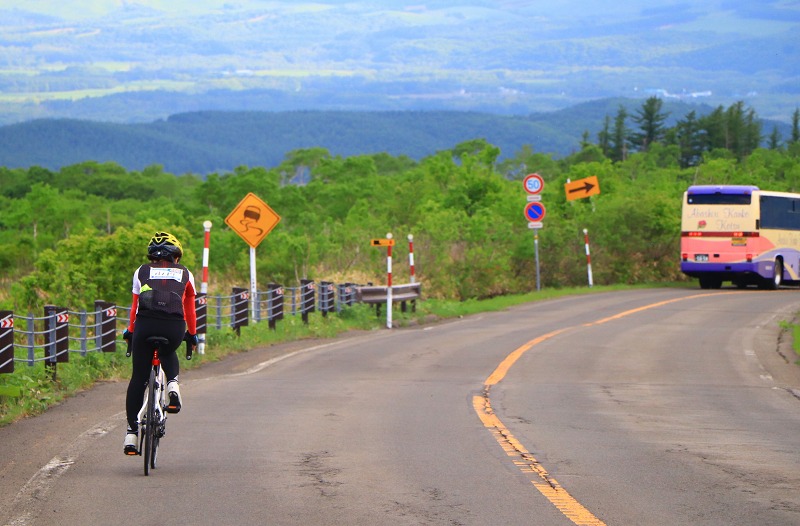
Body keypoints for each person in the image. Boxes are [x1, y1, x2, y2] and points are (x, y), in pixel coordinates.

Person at [122, 231, 198, 455]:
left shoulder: (141, 271)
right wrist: (191, 335)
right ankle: (173, 385)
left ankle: (131, 435)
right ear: (176, 256)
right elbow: (189, 309)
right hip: (173, 327)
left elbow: (135, 308)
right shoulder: (186, 273)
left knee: (138, 379)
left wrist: (130, 332)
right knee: (167, 350)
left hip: (145, 326)